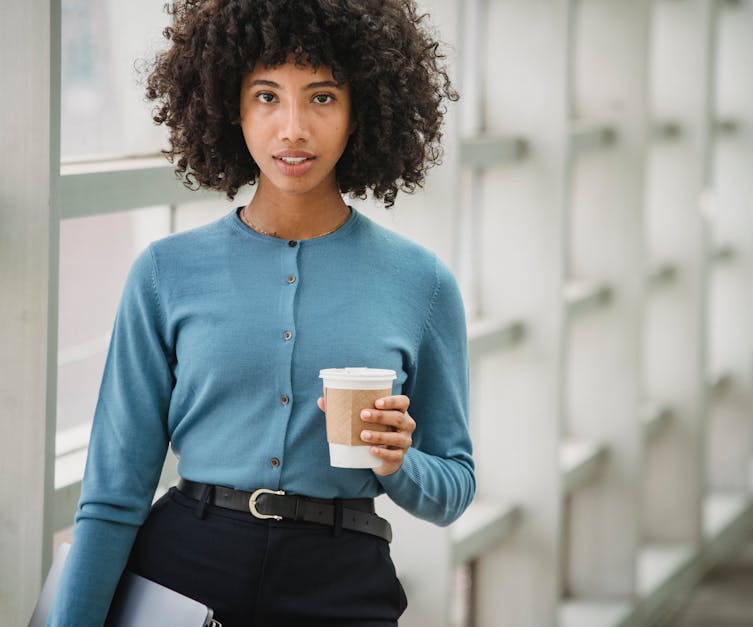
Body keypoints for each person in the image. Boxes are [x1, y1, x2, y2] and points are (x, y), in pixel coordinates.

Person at [46, 1, 473, 625]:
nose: (293, 128)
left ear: (363, 108)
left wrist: (398, 463)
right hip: (183, 571)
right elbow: (113, 496)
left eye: (322, 97)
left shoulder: (422, 284)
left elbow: (454, 486)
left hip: (342, 583)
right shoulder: (165, 273)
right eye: (267, 96)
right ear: (229, 106)